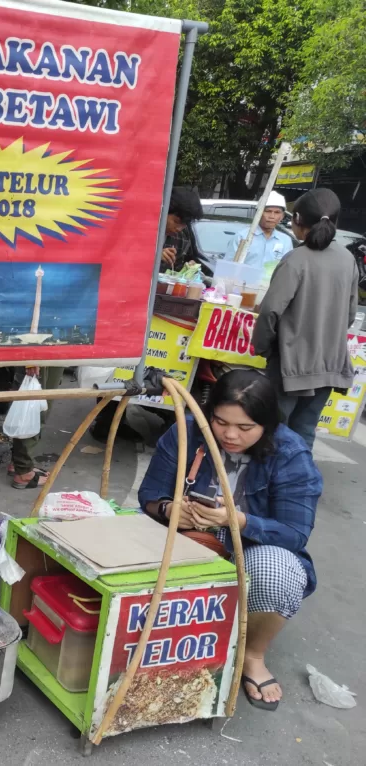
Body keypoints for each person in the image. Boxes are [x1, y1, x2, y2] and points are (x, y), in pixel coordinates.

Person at [138, 370, 321, 710]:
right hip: (187, 537)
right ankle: (150, 635)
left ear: (267, 424)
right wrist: (170, 510)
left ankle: (252, 654)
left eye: (245, 427)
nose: (230, 435)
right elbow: (149, 496)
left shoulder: (291, 455)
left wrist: (239, 521)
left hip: (250, 550)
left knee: (279, 570)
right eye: (220, 422)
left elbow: (294, 533)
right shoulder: (187, 432)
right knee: (127, 535)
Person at [252, 188, 357, 450]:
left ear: (297, 219)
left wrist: (264, 348)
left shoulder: (296, 259)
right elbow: (350, 314)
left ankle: (266, 487)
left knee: (274, 431)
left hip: (290, 363)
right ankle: (295, 487)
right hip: (329, 362)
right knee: (304, 434)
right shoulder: (348, 259)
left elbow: (269, 311)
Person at [7, 365, 64, 489]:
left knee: (38, 405)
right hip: (41, 351)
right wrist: (31, 361)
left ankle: (19, 463)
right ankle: (23, 472)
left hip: (53, 351)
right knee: (32, 410)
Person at [224, 191, 293, 273]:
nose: (272, 216)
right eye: (268, 211)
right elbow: (227, 267)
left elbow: (287, 270)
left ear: (282, 216)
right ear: (258, 213)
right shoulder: (243, 237)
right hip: (242, 284)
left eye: (277, 212)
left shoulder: (285, 241)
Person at [159, 187, 203, 272]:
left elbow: (179, 266)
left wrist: (188, 267)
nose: (179, 229)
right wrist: (155, 255)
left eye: (184, 225)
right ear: (164, 211)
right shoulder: (143, 229)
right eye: (176, 222)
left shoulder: (183, 237)